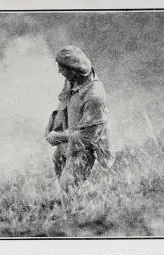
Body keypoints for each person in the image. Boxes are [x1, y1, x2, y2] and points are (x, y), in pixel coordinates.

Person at [45, 46, 114, 192]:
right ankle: (80, 199)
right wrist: (53, 125)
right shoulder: (72, 81)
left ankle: (88, 203)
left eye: (62, 69)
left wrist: (59, 137)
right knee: (61, 175)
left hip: (85, 149)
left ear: (73, 70)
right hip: (69, 142)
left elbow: (88, 136)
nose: (59, 72)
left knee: (68, 185)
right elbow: (64, 103)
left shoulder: (94, 96)